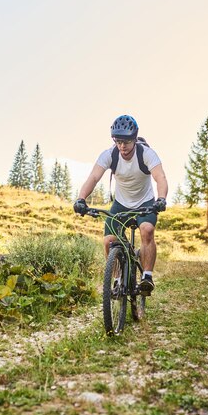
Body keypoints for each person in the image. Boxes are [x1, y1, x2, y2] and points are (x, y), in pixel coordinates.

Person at [73, 114, 168, 294]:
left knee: (147, 230)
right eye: (118, 141)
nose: (122, 146)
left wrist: (161, 198)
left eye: (126, 142)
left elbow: (160, 177)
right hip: (121, 204)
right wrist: (81, 199)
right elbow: (93, 177)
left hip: (145, 203)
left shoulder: (146, 154)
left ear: (134, 139)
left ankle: (147, 276)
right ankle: (117, 278)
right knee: (109, 241)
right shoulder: (110, 155)